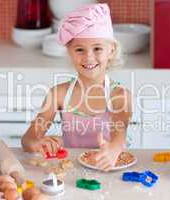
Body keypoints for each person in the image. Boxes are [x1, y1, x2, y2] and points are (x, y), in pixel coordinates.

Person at [21, 3, 132, 171]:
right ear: (69, 52)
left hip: (110, 171)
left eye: (97, 48)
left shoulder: (119, 95)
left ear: (111, 50)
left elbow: (120, 132)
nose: (89, 57)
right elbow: (28, 139)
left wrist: (114, 148)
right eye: (80, 49)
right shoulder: (58, 94)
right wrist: (37, 143)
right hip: (71, 172)